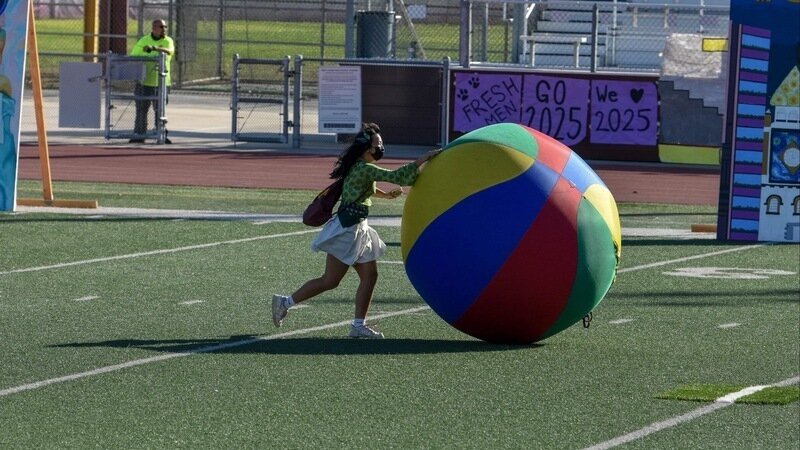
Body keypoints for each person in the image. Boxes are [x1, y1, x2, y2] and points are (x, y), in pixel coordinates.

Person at [272, 123, 442, 339]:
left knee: (370, 276)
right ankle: (285, 302)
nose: (381, 148)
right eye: (378, 145)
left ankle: (358, 326)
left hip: (359, 228)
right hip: (347, 230)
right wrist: (422, 159)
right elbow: (399, 177)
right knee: (330, 281)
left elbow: (364, 188)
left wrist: (386, 195)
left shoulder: (361, 167)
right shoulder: (363, 168)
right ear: (366, 148)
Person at [129, 19, 174, 144]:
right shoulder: (144, 40)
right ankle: (139, 134)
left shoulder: (168, 41)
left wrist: (154, 48)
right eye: (161, 27)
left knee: (160, 110)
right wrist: (145, 52)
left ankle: (161, 134)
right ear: (154, 28)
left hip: (161, 82)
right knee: (141, 109)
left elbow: (169, 51)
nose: (164, 29)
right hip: (144, 82)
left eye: (165, 27)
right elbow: (134, 56)